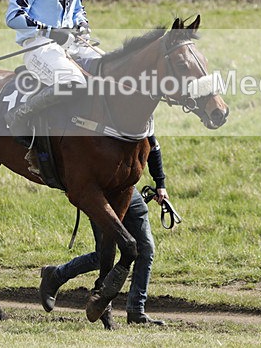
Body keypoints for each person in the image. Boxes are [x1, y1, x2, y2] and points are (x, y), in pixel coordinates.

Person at [39, 134, 168, 328]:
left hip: (127, 191)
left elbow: (153, 145)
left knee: (146, 247)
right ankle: (56, 275)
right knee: (103, 255)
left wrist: (160, 184)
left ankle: (136, 311)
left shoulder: (138, 117)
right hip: (100, 196)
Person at [4, 0, 99, 134]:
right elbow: (13, 16)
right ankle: (20, 116)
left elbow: (77, 9)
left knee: (110, 71)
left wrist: (82, 24)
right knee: (72, 82)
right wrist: (50, 32)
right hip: (38, 46)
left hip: (71, 44)